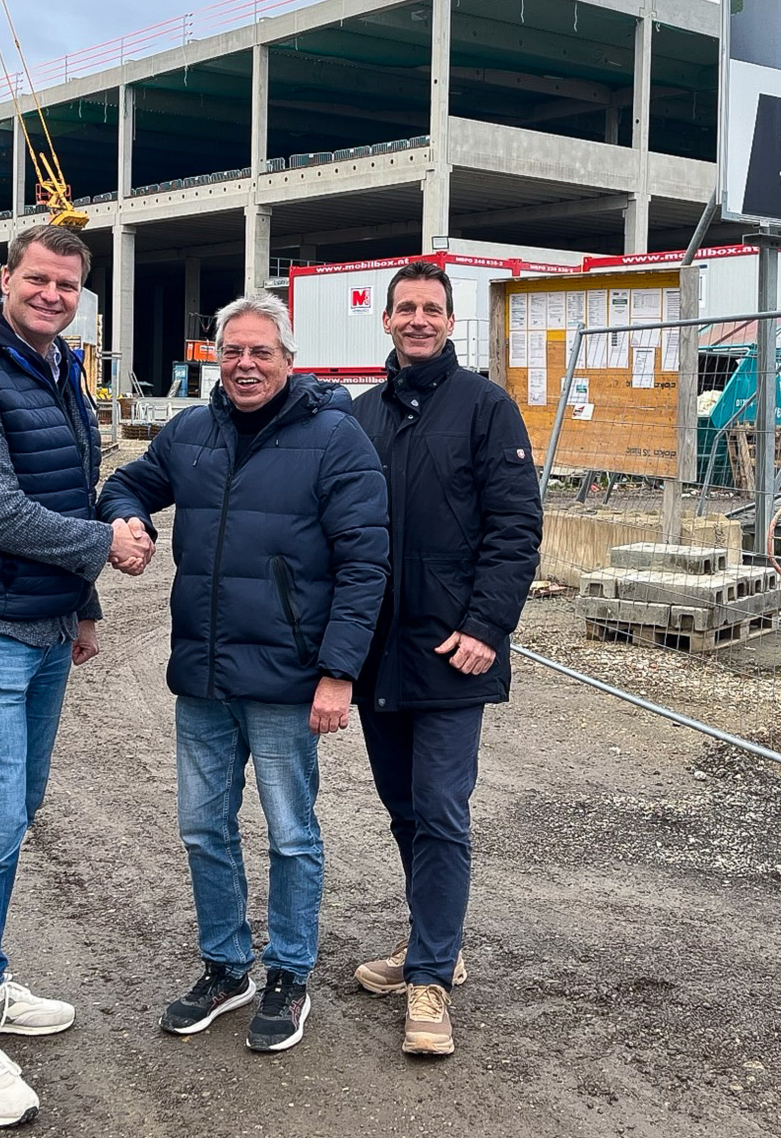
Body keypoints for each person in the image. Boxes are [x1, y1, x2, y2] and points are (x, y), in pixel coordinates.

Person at [0, 224, 154, 1128]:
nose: (53, 295)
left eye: (67, 285)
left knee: (18, 814)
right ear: (2, 280)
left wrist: (81, 603)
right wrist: (104, 543)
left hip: (42, 622)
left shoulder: (58, 372)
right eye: (38, 280)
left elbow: (60, 490)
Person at [100, 293, 388, 1053]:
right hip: (202, 677)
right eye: (233, 352)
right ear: (216, 358)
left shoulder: (336, 440)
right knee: (202, 828)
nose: (245, 365)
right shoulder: (192, 432)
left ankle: (290, 973)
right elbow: (127, 482)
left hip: (290, 682)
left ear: (289, 361)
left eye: (261, 352)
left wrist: (338, 674)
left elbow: (365, 565)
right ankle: (227, 968)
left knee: (291, 834)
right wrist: (127, 520)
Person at [348, 261, 542, 1058]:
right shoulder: (360, 416)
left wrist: (487, 627)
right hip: (377, 654)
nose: (418, 319)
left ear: (449, 319)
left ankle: (429, 980)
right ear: (387, 320)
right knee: (403, 808)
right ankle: (436, 939)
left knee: (442, 810)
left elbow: (516, 528)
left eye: (432, 308)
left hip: (454, 654)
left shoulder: (487, 409)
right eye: (406, 308)